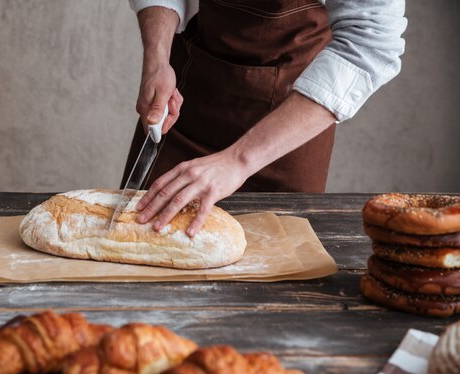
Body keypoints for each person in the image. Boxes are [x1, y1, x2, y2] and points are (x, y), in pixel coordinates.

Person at [122, 0, 407, 237]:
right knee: (133, 239)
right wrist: (157, 58)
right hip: (190, 96)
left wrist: (238, 160)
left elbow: (370, 43)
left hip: (291, 119)